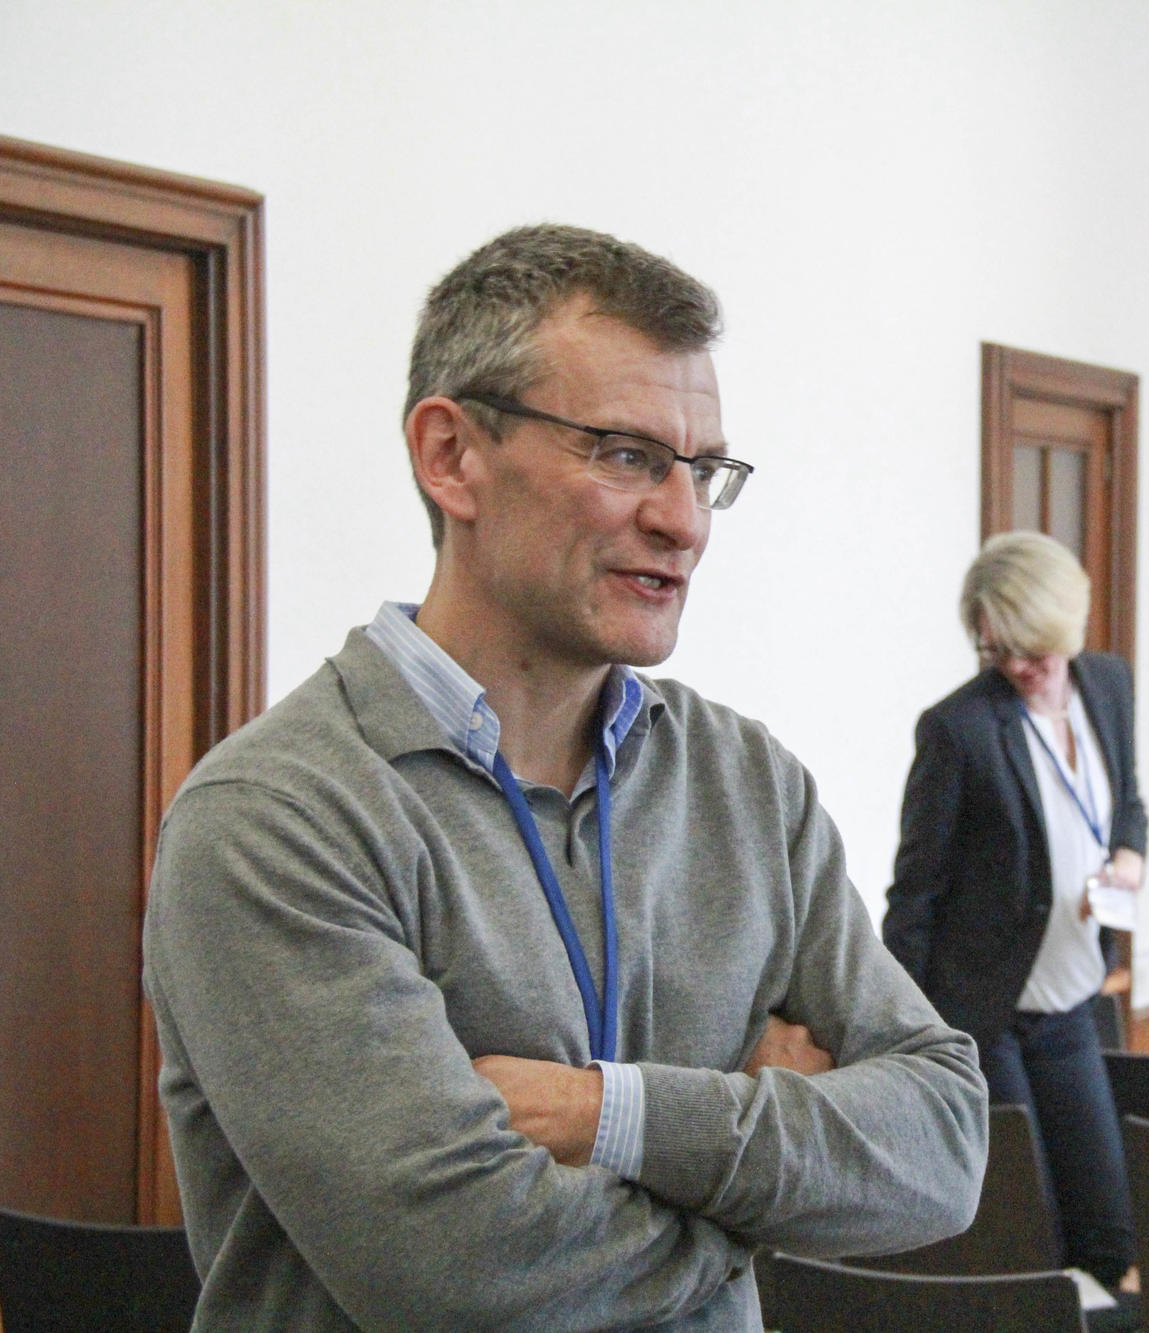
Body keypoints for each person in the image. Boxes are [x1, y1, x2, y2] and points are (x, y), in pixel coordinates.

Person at [142, 224, 985, 1333]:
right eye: (625, 454)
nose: (681, 519)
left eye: (702, 470)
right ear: (451, 456)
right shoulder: (278, 817)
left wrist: (614, 1115)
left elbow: (941, 1145)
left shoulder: (745, 783)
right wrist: (758, 1182)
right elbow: (458, 1271)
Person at [883, 531, 1146, 1290]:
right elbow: (915, 894)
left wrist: (1129, 855)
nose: (1017, 668)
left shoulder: (1109, 686)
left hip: (1071, 1003)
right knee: (1025, 1231)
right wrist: (904, 1034)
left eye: (1030, 649)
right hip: (984, 1016)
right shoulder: (958, 729)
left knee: (1108, 1228)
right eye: (997, 651)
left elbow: (1128, 802)